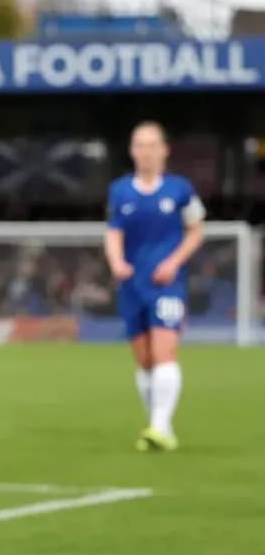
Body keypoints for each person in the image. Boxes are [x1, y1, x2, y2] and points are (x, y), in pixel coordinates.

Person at [104, 121, 204, 452]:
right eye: (139, 145)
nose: (145, 151)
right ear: (132, 151)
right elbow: (114, 232)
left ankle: (160, 426)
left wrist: (174, 262)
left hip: (167, 283)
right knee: (144, 359)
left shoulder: (180, 189)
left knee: (164, 352)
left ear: (164, 150)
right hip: (132, 285)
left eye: (151, 145)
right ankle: (158, 425)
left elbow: (195, 230)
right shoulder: (119, 191)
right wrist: (117, 262)